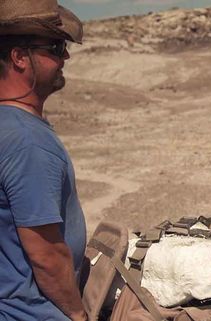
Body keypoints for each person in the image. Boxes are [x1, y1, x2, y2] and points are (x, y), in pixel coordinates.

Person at [0, 1, 87, 320]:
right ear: (19, 57)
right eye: (55, 46)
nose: (65, 56)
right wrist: (78, 314)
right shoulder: (27, 140)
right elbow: (45, 254)